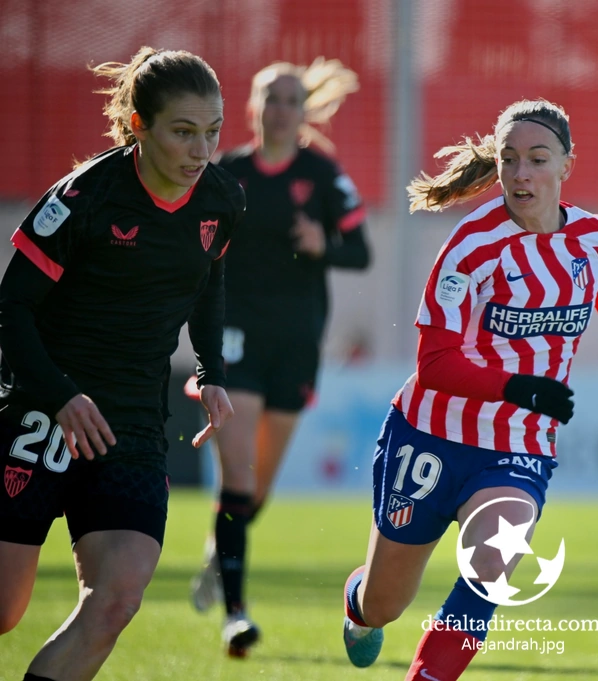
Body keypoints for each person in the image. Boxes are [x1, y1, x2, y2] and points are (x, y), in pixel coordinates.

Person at [340, 99, 598, 680]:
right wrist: (520, 388)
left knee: (492, 568)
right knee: (385, 603)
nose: (522, 174)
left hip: (519, 444)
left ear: (567, 164)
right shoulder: (470, 247)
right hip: (431, 436)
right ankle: (359, 607)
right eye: (509, 159)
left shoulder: (596, 238)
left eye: (538, 159)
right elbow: (435, 364)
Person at [0, 47, 242, 681]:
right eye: (183, 132)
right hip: (41, 411)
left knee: (116, 601)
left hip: (131, 426)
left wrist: (211, 371)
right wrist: (59, 394)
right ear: (140, 126)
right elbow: (10, 310)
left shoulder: (221, 198)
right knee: (2, 610)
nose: (201, 151)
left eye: (213, 132)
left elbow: (208, 283)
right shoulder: (84, 199)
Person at [187, 57, 370, 657]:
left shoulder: (323, 174)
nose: (282, 108)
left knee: (256, 491)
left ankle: (219, 552)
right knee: (238, 480)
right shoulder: (227, 173)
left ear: (304, 111)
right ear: (253, 107)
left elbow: (360, 251)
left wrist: (324, 244)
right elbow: (197, 246)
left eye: (292, 99)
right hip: (236, 339)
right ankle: (236, 616)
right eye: (272, 97)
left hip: (295, 345)